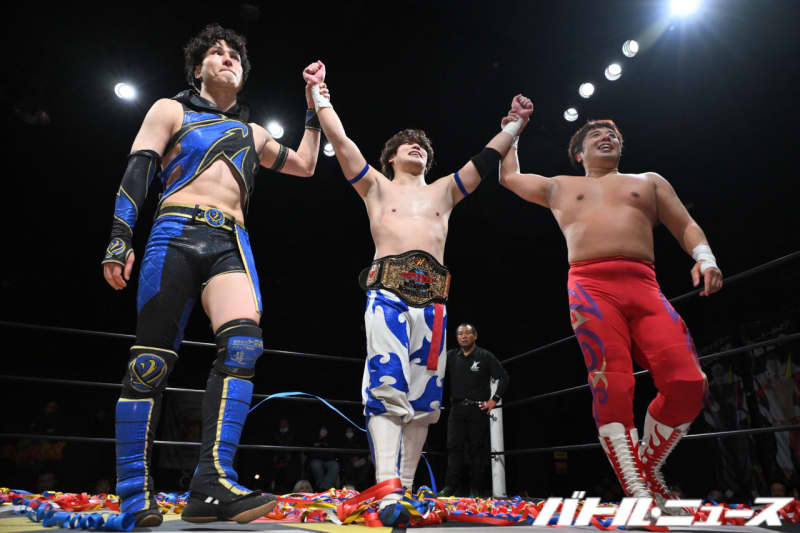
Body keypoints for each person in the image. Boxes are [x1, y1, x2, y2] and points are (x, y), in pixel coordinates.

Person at [101, 24, 324, 526]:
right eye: (217, 53)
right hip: (174, 234)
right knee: (151, 360)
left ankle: (211, 483)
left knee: (244, 345)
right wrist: (119, 237)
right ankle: (133, 490)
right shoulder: (170, 110)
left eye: (235, 56)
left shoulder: (254, 133)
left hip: (231, 242)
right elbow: (137, 171)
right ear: (197, 68)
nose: (227, 59)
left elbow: (308, 165)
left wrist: (312, 105)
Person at [304, 65, 530, 524]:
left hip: (434, 309)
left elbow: (485, 160)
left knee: (425, 404)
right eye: (408, 143)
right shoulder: (375, 185)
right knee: (387, 385)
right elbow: (342, 143)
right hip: (387, 296)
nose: (417, 147)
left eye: (423, 145)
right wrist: (318, 96)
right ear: (390, 157)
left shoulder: (444, 192)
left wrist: (514, 126)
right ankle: (387, 486)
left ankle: (403, 491)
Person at [500, 110, 723, 504]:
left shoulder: (648, 182)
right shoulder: (560, 186)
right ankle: (635, 485)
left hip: (645, 286)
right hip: (591, 288)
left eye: (612, 134)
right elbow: (509, 177)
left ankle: (648, 464)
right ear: (579, 153)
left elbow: (685, 223)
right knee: (612, 381)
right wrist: (513, 130)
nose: (607, 137)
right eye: (597, 135)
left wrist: (705, 258)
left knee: (689, 382)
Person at [440, 323, 509, 497]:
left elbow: (503, 377)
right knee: (454, 448)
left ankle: (476, 489)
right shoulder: (450, 356)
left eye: (467, 333)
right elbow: (433, 371)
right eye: (460, 334)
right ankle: (450, 487)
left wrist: (494, 400)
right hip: (456, 409)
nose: (463, 336)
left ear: (475, 336)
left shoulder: (484, 355)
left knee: (477, 450)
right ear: (457, 337)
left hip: (478, 408)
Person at [308, 425, 339, 491]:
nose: (323, 431)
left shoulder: (331, 439)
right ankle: (321, 487)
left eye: (325, 430)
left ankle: (323, 488)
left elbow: (334, 451)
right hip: (316, 459)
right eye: (322, 430)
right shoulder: (314, 438)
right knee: (315, 465)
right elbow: (309, 450)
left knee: (335, 465)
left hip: (329, 460)